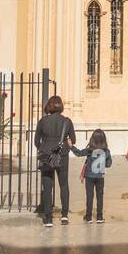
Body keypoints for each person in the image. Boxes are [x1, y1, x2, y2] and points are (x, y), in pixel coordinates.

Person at [34, 95, 76, 227]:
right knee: (64, 185)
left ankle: (48, 218)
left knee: (47, 187)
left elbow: (36, 141)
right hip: (62, 156)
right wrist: (65, 148)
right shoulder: (67, 121)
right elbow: (73, 139)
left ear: (49, 106)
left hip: (47, 156)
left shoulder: (43, 121)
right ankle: (64, 216)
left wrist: (44, 148)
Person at [72, 128, 111, 223]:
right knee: (100, 196)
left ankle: (88, 217)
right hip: (100, 176)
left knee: (89, 196)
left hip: (89, 176)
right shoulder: (106, 151)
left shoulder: (89, 150)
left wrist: (71, 146)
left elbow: (79, 153)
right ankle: (99, 217)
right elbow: (108, 164)